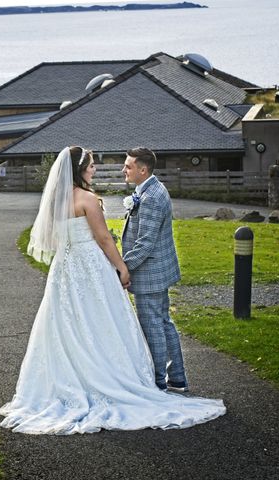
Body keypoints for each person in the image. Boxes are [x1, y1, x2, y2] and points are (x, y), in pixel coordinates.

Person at [0, 146, 225, 435]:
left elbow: (58, 238)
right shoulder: (88, 199)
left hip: (65, 269)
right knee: (105, 320)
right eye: (91, 165)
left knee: (67, 324)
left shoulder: (57, 199)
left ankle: (81, 377)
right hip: (90, 267)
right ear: (80, 170)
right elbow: (104, 238)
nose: (95, 169)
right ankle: (140, 379)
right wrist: (121, 267)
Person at [121, 147, 188, 392]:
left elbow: (145, 244)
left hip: (149, 274)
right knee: (163, 322)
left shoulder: (150, 198)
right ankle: (177, 377)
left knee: (153, 327)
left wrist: (123, 268)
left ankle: (159, 381)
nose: (124, 170)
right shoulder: (150, 190)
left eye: (128, 166)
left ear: (143, 169)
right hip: (157, 272)